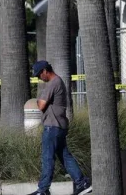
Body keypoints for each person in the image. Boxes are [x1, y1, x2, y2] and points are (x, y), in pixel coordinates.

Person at [29, 61, 92, 195]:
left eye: (39, 74)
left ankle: (43, 190)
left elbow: (41, 105)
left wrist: (38, 100)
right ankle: (82, 182)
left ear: (45, 71)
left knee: (47, 158)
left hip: (52, 127)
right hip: (59, 126)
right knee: (65, 156)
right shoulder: (58, 82)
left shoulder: (53, 83)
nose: (39, 78)